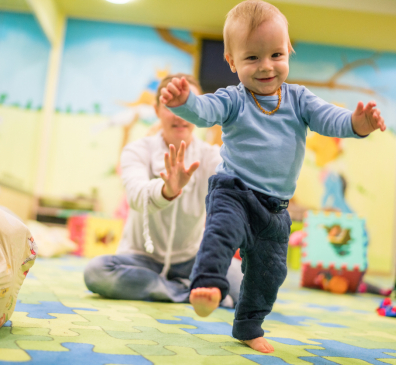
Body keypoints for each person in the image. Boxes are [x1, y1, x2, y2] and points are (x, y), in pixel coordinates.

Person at [159, 0, 386, 354]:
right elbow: (205, 111)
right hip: (233, 191)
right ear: (232, 62)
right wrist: (185, 101)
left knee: (269, 274)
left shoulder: (300, 99)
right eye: (252, 58)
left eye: (276, 54)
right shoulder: (235, 99)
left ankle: (248, 326)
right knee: (221, 234)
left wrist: (359, 124)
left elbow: (332, 119)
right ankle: (207, 286)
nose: (266, 67)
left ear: (289, 51)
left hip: (276, 210)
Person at [84, 73, 243, 308]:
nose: (180, 114)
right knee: (96, 272)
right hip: (140, 257)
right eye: (172, 105)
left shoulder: (211, 156)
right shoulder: (137, 151)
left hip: (193, 257)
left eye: (188, 105)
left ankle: (170, 288)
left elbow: (234, 197)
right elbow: (137, 197)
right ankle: (188, 292)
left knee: (249, 286)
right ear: (157, 109)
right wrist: (167, 190)